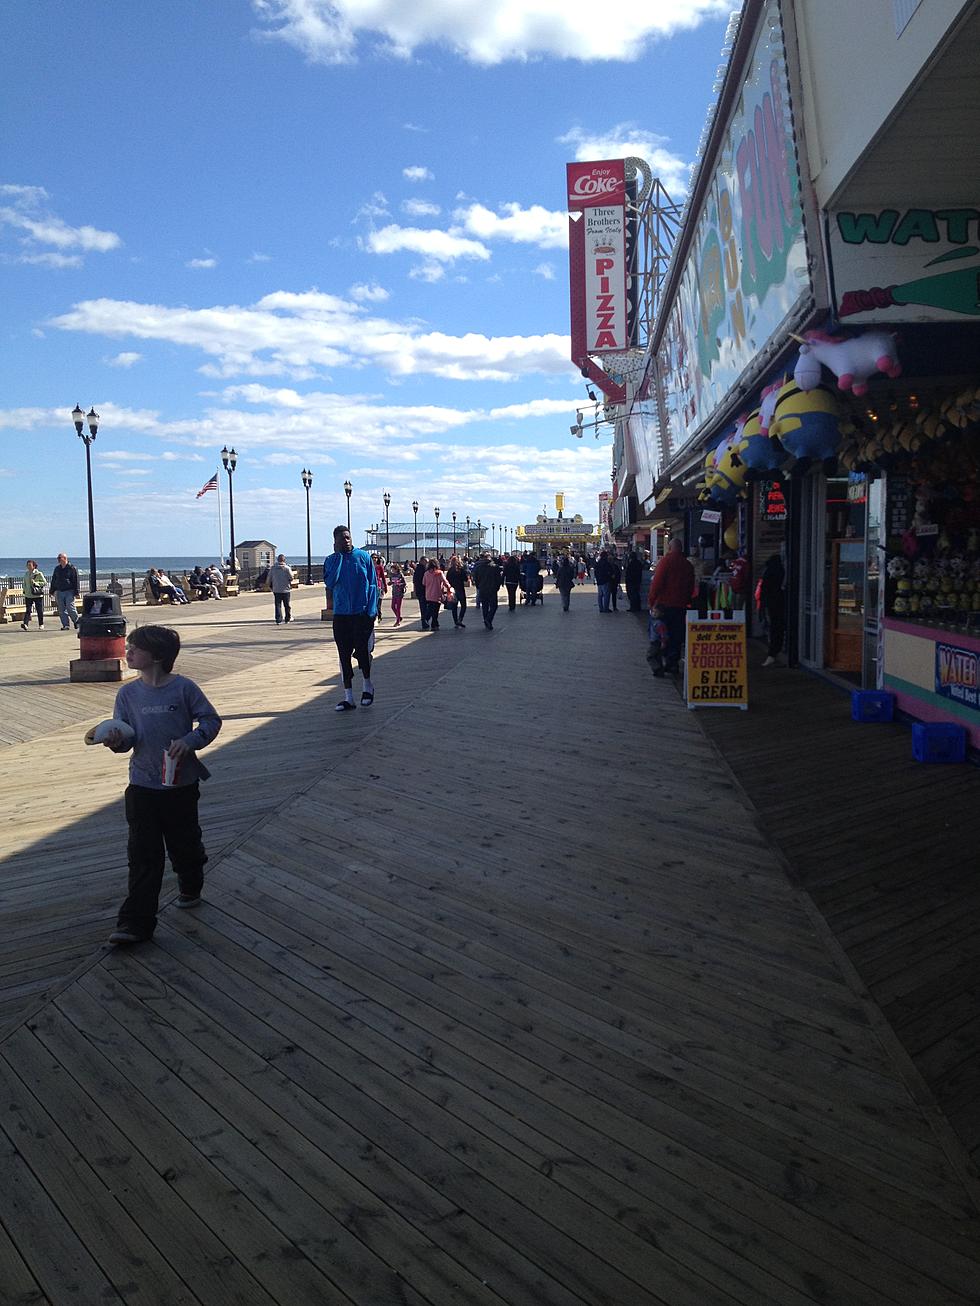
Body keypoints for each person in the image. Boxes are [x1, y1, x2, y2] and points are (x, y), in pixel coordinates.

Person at [102, 624, 222, 945]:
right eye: (128, 647)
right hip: (141, 784)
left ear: (156, 656)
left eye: (134, 648)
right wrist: (115, 742)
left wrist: (190, 740)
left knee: (184, 844)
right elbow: (126, 739)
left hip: (180, 785)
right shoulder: (127, 694)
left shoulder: (183, 689)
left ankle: (190, 878)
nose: (127, 652)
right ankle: (135, 923)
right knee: (143, 854)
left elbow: (211, 720)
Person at [323, 525, 379, 710]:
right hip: (341, 615)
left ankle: (367, 687)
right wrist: (338, 558)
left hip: (361, 613)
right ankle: (348, 697)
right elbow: (330, 582)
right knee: (343, 655)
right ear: (335, 542)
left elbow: (373, 584)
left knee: (363, 652)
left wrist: (371, 612)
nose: (346, 541)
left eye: (348, 537)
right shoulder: (331, 560)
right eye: (342, 539)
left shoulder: (363, 557)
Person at [647, 538, 696, 673]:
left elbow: (656, 583)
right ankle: (672, 663)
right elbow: (691, 586)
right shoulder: (688, 565)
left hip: (664, 606)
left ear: (669, 548)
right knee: (676, 637)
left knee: (658, 635)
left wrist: (651, 602)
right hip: (680, 606)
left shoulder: (666, 562)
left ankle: (658, 665)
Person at [760, 554, 786, 667]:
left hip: (771, 603)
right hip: (780, 602)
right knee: (778, 628)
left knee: (774, 627)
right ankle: (775, 651)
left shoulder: (768, 571)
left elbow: (764, 588)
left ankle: (773, 653)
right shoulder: (781, 571)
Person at [49, 552, 80, 630]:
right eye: (58, 558)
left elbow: (76, 580)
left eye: (60, 558)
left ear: (65, 558)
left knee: (70, 607)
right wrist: (51, 591)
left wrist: (76, 592)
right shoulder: (57, 568)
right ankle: (65, 625)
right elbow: (54, 580)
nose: (58, 560)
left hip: (69, 590)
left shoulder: (72, 568)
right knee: (61, 609)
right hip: (59, 591)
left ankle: (76, 621)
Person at [422, 557, 453, 631]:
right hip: (437, 595)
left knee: (430, 609)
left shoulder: (426, 573)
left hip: (428, 594)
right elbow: (445, 582)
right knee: (435, 611)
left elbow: (424, 583)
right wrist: (449, 587)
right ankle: (434, 625)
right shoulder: (439, 573)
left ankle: (428, 621)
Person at [475, 553, 503, 629]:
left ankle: (486, 621)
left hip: (483, 589)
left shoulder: (478, 567)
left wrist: (479, 587)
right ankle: (488, 619)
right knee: (494, 606)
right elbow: (498, 579)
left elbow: (476, 579)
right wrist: (497, 587)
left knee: (485, 606)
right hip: (492, 589)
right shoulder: (495, 567)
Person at [268, 553, 294, 625]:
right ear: (284, 560)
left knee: (277, 605)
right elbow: (291, 577)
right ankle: (287, 618)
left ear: (277, 559)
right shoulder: (287, 568)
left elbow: (269, 578)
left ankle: (278, 619)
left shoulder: (273, 568)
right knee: (287, 605)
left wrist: (269, 585)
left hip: (276, 589)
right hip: (286, 589)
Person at [21, 559, 47, 629]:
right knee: (28, 610)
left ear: (34, 566)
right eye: (27, 565)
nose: (28, 566)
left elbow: (44, 582)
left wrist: (36, 583)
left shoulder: (38, 573)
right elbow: (25, 583)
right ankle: (25, 624)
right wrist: (24, 590)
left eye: (30, 565)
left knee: (39, 610)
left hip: (37, 594)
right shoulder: (26, 574)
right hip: (28, 595)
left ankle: (41, 624)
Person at [446, 553, 468, 627]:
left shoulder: (449, 571)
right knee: (463, 606)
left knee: (454, 607)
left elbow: (447, 580)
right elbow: (465, 579)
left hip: (452, 590)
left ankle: (456, 622)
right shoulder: (460, 569)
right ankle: (460, 619)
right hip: (460, 589)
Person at [646, 604, 669, 677]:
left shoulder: (659, 623)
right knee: (657, 657)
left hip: (656, 642)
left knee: (650, 656)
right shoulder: (654, 621)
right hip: (655, 641)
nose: (654, 614)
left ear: (661, 614)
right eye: (653, 612)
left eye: (656, 612)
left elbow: (663, 634)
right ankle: (659, 672)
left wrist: (663, 642)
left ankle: (657, 668)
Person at [413, 556, 430, 630]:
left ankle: (425, 621)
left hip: (420, 591)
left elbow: (414, 581)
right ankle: (424, 621)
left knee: (424, 608)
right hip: (423, 591)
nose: (427, 563)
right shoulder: (422, 570)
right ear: (422, 561)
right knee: (425, 608)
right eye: (426, 562)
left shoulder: (418, 569)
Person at [373, 554, 389, 622]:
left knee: (378, 602)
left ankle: (379, 615)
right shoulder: (368, 566)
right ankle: (374, 615)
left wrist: (385, 587)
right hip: (371, 587)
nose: (374, 559)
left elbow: (383, 578)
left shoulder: (379, 567)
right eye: (373, 558)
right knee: (373, 603)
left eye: (376, 558)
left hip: (378, 586)